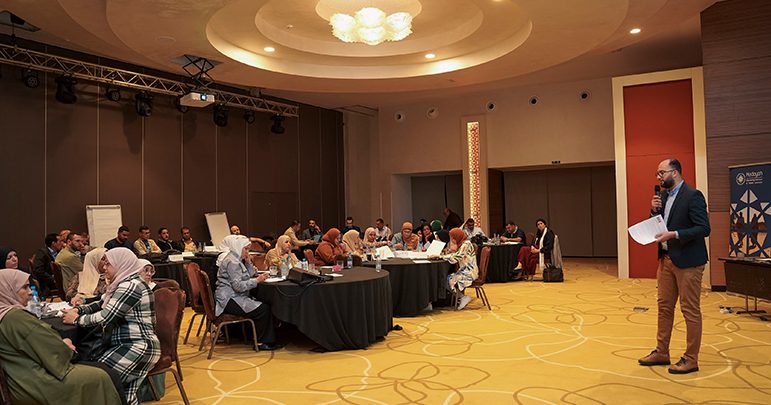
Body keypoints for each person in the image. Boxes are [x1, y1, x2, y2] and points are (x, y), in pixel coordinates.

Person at [0, 269, 125, 405]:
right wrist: (66, 345)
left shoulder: (5, 315)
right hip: (38, 383)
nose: (30, 292)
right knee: (104, 375)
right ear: (8, 289)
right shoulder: (16, 318)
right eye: (24, 287)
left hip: (21, 380)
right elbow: (54, 351)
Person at [638, 158, 710, 375]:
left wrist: (675, 234)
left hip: (689, 262)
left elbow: (704, 228)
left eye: (662, 173)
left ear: (675, 172)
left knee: (690, 310)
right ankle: (662, 352)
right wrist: (653, 211)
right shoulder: (663, 196)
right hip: (666, 259)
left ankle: (691, 359)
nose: (658, 177)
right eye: (657, 174)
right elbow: (658, 225)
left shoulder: (693, 195)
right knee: (664, 307)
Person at [62, 247, 161, 405]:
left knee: (99, 382)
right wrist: (79, 310)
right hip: (132, 346)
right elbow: (101, 303)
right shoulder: (122, 283)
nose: (104, 267)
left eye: (108, 264)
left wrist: (77, 320)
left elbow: (106, 316)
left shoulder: (131, 285)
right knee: (124, 396)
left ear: (121, 264)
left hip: (136, 347)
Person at [214, 235, 281, 350]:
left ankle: (265, 339)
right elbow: (238, 287)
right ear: (238, 247)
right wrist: (257, 280)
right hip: (229, 299)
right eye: (246, 249)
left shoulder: (236, 258)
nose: (247, 252)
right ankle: (262, 342)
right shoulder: (232, 262)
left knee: (264, 304)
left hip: (233, 296)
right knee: (263, 309)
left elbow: (249, 275)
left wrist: (248, 261)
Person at [442, 228, 479, 310]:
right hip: (464, 270)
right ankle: (461, 297)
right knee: (446, 278)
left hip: (469, 272)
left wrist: (442, 257)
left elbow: (457, 257)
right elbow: (455, 252)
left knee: (448, 279)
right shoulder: (462, 244)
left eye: (452, 238)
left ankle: (463, 297)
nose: (451, 239)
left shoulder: (466, 244)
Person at [33, 233, 64, 298]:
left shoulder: (60, 252)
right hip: (48, 284)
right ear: (53, 243)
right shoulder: (42, 253)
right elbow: (39, 271)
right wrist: (53, 279)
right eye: (60, 241)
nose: (63, 243)